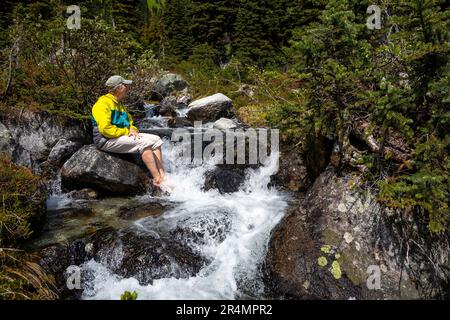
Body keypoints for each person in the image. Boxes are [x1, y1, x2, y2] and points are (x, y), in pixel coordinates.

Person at [91, 75, 166, 187]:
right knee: (145, 143)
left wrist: (132, 129)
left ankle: (163, 175)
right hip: (105, 139)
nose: (128, 88)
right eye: (126, 85)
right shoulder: (102, 104)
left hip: (117, 136)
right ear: (119, 88)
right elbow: (105, 129)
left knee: (156, 140)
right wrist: (126, 132)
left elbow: (130, 122)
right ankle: (157, 180)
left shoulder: (119, 104)